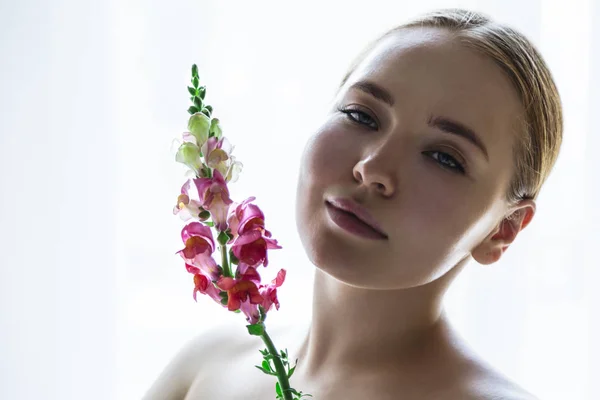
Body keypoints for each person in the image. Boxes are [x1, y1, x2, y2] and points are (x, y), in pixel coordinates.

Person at [143, 8, 562, 400]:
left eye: (444, 158)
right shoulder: (206, 368)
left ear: (504, 229)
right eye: (362, 116)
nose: (372, 167)